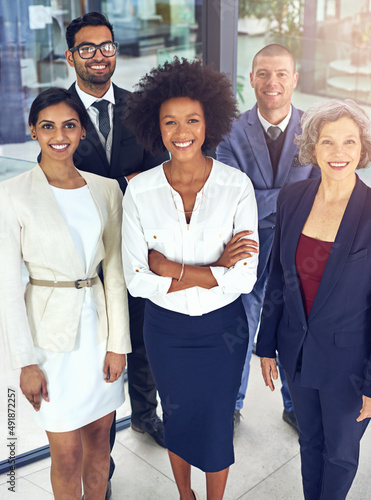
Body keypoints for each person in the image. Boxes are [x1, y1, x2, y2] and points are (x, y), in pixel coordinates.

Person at [121, 58, 259, 500]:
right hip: (165, 328)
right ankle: (186, 495)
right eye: (170, 122)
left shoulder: (236, 187)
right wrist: (214, 270)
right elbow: (136, 280)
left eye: (193, 120)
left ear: (209, 122)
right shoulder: (140, 191)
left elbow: (244, 278)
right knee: (176, 415)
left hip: (224, 328)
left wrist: (171, 269)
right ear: (156, 127)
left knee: (218, 417)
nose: (182, 131)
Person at [0, 87, 131, 500]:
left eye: (69, 125)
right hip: (49, 344)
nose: (60, 135)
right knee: (67, 455)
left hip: (99, 336)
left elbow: (115, 272)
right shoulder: (12, 194)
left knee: (99, 449)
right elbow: (6, 286)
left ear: (82, 132)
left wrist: (118, 345)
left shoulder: (105, 189)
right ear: (34, 132)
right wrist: (25, 363)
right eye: (48, 126)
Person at [64, 11, 168, 488]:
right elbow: (56, 181)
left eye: (106, 46)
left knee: (142, 342)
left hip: (136, 248)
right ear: (71, 57)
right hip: (82, 257)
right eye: (87, 48)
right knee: (96, 357)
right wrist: (121, 183)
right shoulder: (56, 111)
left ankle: (146, 416)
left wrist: (120, 184)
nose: (99, 56)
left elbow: (158, 172)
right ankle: (98, 466)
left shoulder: (140, 107)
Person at [257, 98, 371, 500]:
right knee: (310, 443)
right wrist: (266, 344)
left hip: (350, 365)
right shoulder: (293, 197)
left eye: (349, 142)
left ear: (363, 148)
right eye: (327, 142)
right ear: (312, 148)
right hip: (296, 352)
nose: (338, 153)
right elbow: (275, 275)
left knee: (340, 454)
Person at [216, 44, 320, 431]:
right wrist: (294, 197)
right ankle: (232, 404)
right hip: (246, 247)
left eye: (280, 74)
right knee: (239, 329)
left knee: (299, 328)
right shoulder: (228, 131)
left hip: (301, 252)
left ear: (294, 79)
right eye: (263, 73)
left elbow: (325, 194)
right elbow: (230, 194)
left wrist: (256, 197)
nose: (271, 82)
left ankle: (296, 406)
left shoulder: (316, 130)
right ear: (252, 79)